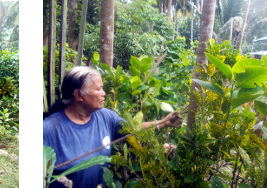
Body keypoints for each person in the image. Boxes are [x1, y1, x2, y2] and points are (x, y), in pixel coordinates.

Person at [43, 66, 182, 188]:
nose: (104, 93)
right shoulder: (48, 130)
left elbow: (132, 130)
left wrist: (163, 123)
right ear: (78, 95)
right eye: (98, 89)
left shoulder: (106, 117)